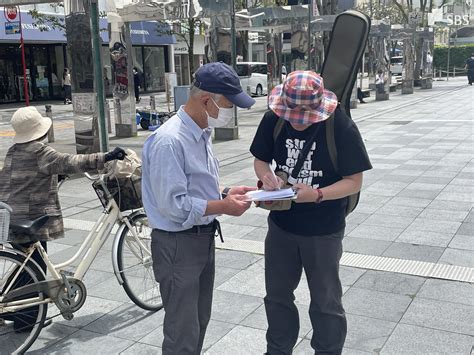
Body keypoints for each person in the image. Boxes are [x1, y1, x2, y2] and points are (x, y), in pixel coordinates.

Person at [250, 71, 372, 355]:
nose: (295, 119)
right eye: (290, 112)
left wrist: (316, 194)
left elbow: (354, 181)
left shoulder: (340, 126)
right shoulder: (274, 119)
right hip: (281, 225)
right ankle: (278, 350)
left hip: (324, 228)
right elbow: (260, 159)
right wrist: (267, 178)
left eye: (303, 114)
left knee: (325, 300)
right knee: (277, 296)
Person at [142, 62, 256, 354]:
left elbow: (193, 187)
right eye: (228, 104)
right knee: (182, 330)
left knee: (198, 321)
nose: (230, 112)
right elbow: (174, 206)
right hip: (178, 244)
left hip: (200, 238)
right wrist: (224, 206)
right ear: (207, 100)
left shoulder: (200, 133)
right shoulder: (170, 141)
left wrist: (227, 192)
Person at [0, 106, 126, 331]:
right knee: (33, 270)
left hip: (11, 216)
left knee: (26, 266)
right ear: (40, 131)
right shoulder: (40, 151)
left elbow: (23, 179)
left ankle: (15, 310)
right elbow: (71, 161)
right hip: (31, 218)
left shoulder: (14, 151)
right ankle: (25, 320)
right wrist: (106, 156)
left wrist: (54, 176)